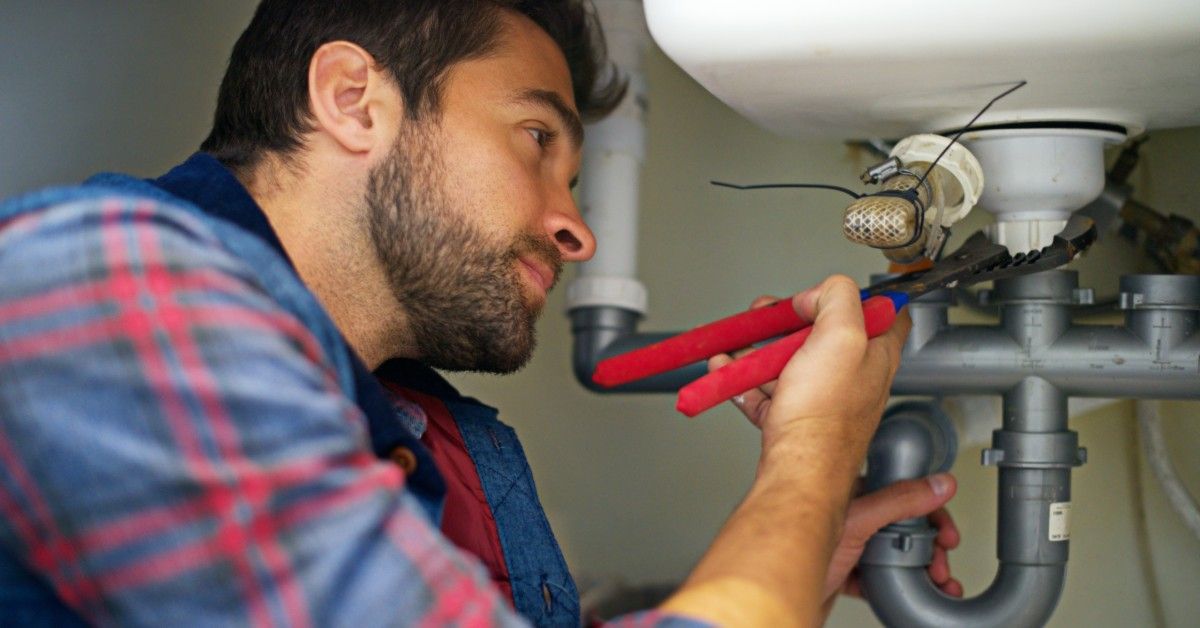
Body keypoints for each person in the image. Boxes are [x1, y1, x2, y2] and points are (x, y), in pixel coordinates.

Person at [0, 1, 962, 625]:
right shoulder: (107, 279)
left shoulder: (433, 435)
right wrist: (811, 458)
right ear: (352, 100)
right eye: (536, 138)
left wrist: (798, 545)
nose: (576, 228)